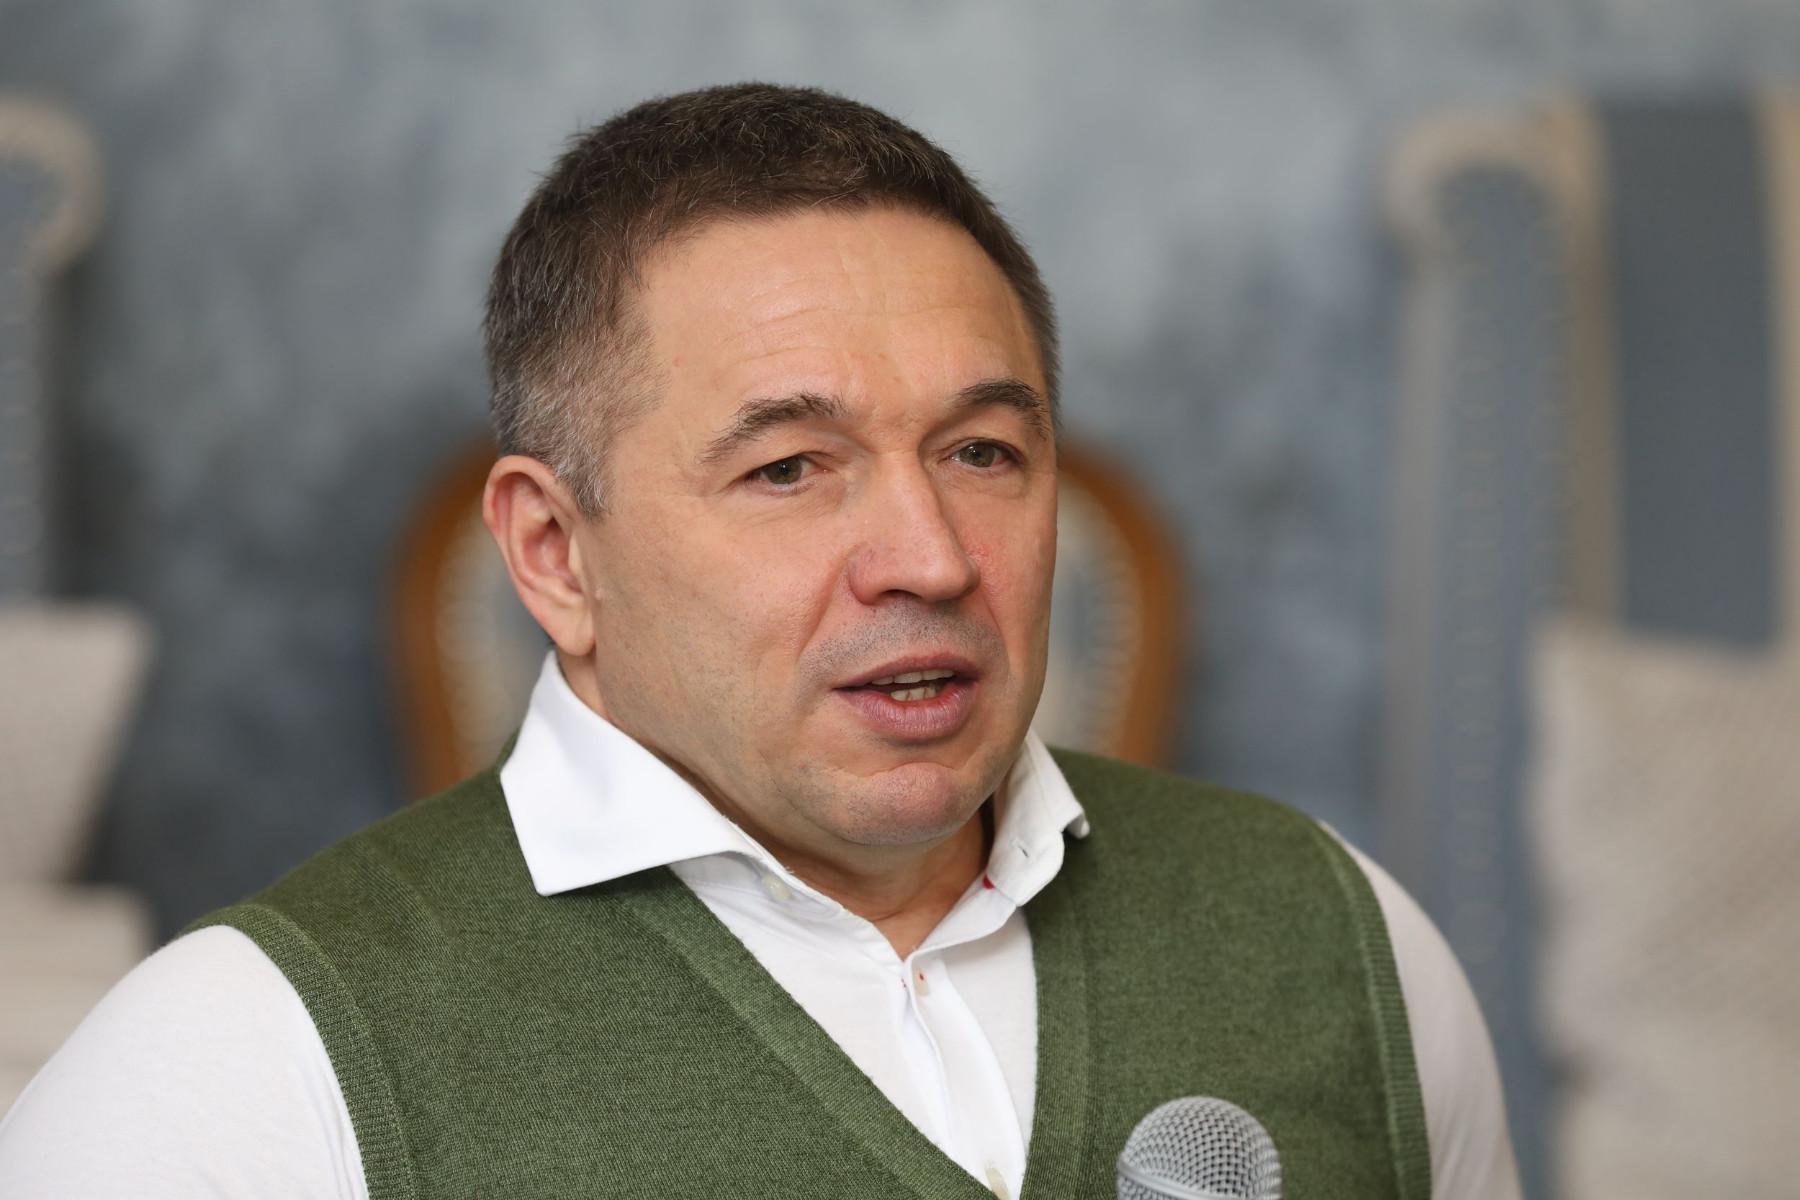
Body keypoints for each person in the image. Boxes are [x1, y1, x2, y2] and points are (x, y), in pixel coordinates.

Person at [0, 83, 1519, 1198]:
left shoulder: (1347, 945)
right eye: (790, 469)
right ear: (555, 553)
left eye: (984, 452)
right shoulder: (243, 1068)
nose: (930, 557)